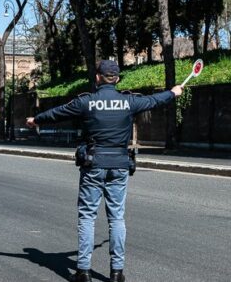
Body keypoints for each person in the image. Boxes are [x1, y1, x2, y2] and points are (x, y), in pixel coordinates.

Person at [26, 60, 183, 282]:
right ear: (117, 79)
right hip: (120, 165)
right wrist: (173, 93)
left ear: (97, 77)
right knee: (117, 218)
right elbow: (154, 101)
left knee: (87, 217)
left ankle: (83, 271)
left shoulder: (86, 102)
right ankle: (117, 272)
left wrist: (36, 120)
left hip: (93, 165)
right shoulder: (129, 101)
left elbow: (58, 113)